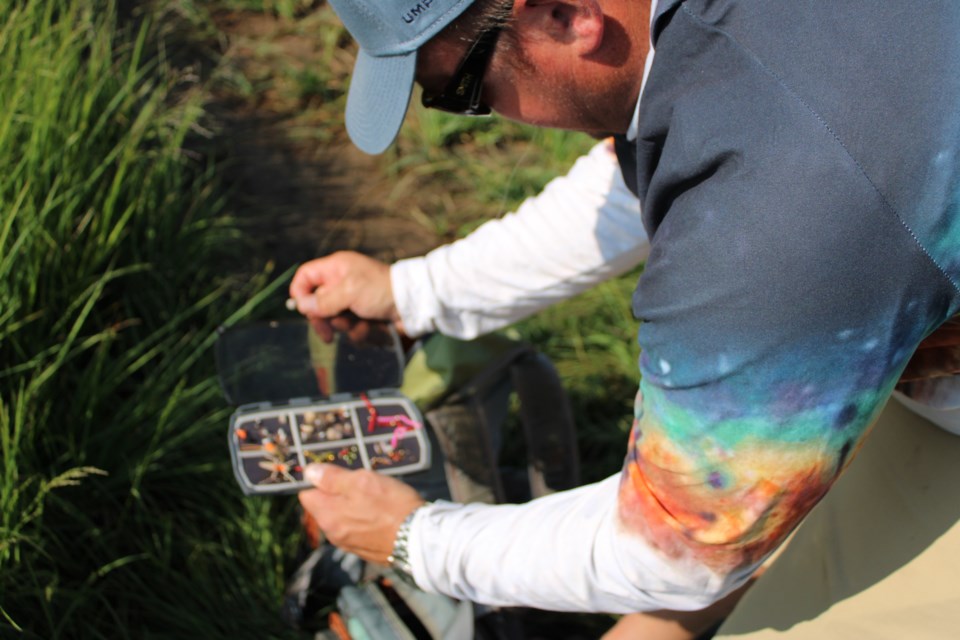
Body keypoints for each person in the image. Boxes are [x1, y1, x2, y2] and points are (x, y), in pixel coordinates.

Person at [290, 0, 960, 634]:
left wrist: (415, 538)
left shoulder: (774, 221)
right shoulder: (697, 41)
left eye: (463, 90)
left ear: (566, 14)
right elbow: (652, 156)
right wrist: (418, 291)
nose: (477, 113)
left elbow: (677, 548)